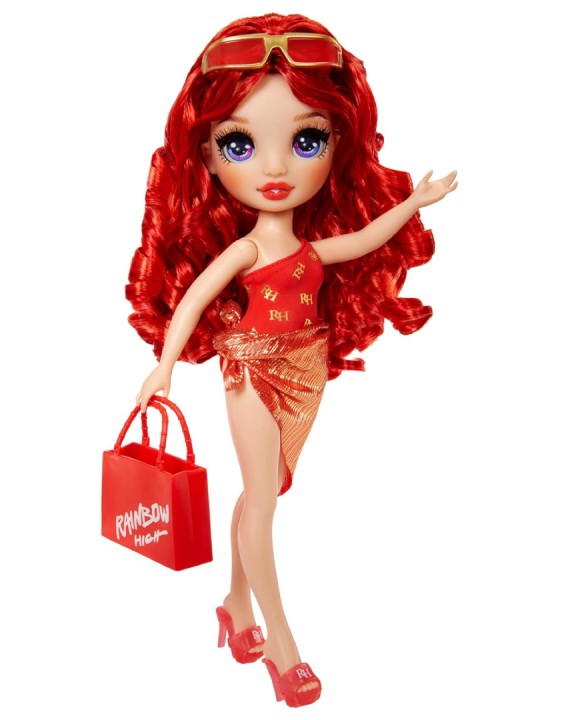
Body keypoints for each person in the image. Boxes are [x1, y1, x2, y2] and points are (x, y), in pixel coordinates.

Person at [126, 13, 457, 708]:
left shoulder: (306, 250)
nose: (275, 169)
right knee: (264, 503)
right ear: (207, 156)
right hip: (251, 371)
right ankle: (282, 645)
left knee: (262, 492)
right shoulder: (246, 250)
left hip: (306, 371)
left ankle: (233, 605)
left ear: (338, 143)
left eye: (306, 141)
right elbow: (195, 298)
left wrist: (416, 201)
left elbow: (363, 240)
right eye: (240, 144)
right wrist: (164, 364)